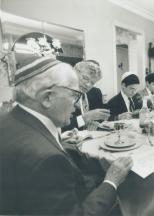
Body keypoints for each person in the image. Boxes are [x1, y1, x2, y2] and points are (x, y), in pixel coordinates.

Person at [0, 56, 133, 215]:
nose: (77, 104)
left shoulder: (8, 119)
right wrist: (111, 181)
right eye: (74, 95)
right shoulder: (47, 158)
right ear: (47, 97)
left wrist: (60, 142)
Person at [62, 60, 110, 132]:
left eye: (92, 83)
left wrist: (95, 123)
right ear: (74, 72)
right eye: (85, 78)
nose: (88, 85)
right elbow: (60, 128)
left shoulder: (95, 92)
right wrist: (84, 118)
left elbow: (100, 117)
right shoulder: (61, 93)